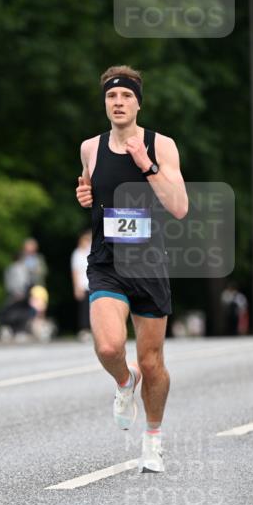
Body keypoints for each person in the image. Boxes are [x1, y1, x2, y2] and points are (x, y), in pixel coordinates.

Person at [75, 65, 188, 473]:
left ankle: (153, 439)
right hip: (106, 262)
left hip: (148, 263)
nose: (118, 103)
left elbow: (178, 207)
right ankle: (125, 382)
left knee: (152, 360)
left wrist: (147, 165)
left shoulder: (161, 146)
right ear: (105, 103)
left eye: (125, 96)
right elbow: (90, 187)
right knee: (107, 347)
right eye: (111, 97)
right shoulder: (91, 146)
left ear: (139, 102)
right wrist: (85, 194)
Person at [71, 230, 92, 341]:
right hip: (83, 285)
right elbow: (75, 271)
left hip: (93, 285)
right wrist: (76, 287)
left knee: (94, 309)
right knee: (84, 309)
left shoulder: (91, 252)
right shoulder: (77, 253)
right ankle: (84, 330)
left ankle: (94, 329)